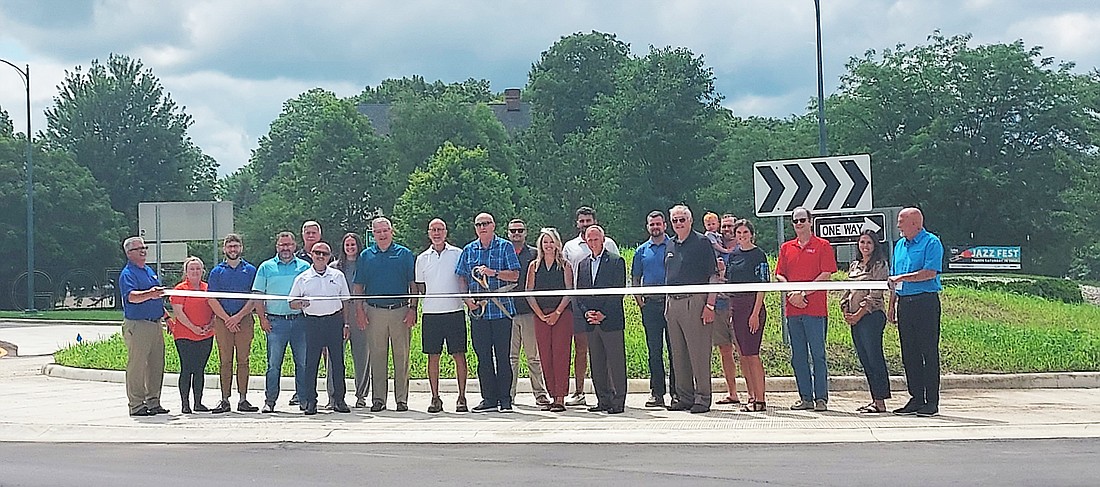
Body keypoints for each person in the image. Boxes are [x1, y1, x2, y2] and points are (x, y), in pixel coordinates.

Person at [456, 213, 521, 413]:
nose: (482, 227)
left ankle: (505, 399)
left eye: (486, 224)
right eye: (478, 224)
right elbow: (461, 277)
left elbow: (515, 275)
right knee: (483, 356)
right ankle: (489, 399)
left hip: (501, 310)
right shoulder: (469, 250)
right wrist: (468, 301)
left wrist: (494, 273)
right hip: (479, 313)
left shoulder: (505, 247)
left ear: (493, 226)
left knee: (503, 356)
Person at [775, 207, 837, 412]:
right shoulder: (786, 247)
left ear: (811, 221)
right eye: (795, 221)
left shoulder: (823, 245)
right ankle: (805, 398)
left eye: (803, 220)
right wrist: (792, 293)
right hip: (793, 310)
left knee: (818, 355)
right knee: (798, 356)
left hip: (815, 310)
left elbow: (826, 273)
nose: (799, 224)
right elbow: (780, 275)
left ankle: (821, 398)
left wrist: (803, 293)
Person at [354, 217, 417, 412]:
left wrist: (413, 308)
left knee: (402, 357)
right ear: (373, 234)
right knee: (377, 357)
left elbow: (413, 284)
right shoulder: (366, 256)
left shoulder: (404, 254)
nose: (382, 234)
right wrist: (359, 311)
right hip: (374, 311)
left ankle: (401, 399)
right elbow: (358, 286)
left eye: (385, 230)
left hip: (400, 311)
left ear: (392, 231)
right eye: (378, 231)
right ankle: (378, 399)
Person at [888, 207, 944, 417]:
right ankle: (916, 398)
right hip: (905, 303)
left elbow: (929, 273)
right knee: (909, 353)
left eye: (902, 221)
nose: (898, 225)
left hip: (925, 303)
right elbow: (894, 278)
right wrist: (891, 305)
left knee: (927, 352)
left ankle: (931, 401)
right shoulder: (900, 245)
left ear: (915, 223)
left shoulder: (931, 243)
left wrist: (902, 279)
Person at [561, 206, 619, 406]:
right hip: (582, 307)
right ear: (577, 224)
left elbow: (616, 279)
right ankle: (580, 392)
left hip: (608, 310)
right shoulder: (570, 247)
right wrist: (586, 310)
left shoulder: (610, 245)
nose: (585, 224)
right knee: (584, 349)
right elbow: (570, 276)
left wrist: (603, 312)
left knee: (610, 353)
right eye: (582, 221)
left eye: (588, 220)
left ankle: (613, 395)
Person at [664, 205, 719, 414]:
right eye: (675, 220)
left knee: (698, 353)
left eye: (682, 220)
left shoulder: (702, 242)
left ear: (690, 220)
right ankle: (684, 397)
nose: (678, 223)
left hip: (695, 302)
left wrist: (710, 304)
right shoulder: (670, 243)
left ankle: (702, 398)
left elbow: (713, 275)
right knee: (678, 354)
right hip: (673, 303)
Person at [289, 241, 352, 415]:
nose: (320, 256)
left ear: (329, 256)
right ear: (311, 255)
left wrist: (346, 324)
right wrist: (300, 303)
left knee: (338, 363)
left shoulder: (338, 276)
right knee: (311, 363)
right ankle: (311, 401)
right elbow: (291, 302)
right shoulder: (302, 278)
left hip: (334, 321)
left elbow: (345, 301)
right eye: (317, 253)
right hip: (313, 323)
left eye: (324, 254)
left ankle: (339, 399)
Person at [253, 231, 311, 414]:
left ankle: (303, 399)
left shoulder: (304, 267)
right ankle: (270, 401)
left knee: (302, 363)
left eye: (288, 245)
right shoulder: (266, 267)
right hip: (276, 323)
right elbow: (258, 295)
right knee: (273, 364)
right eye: (282, 245)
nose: (285, 248)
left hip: (300, 322)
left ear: (295, 246)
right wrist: (262, 318)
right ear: (276, 247)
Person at [415, 219, 470, 413]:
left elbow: (464, 279)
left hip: (455, 311)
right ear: (429, 233)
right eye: (433, 230)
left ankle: (462, 397)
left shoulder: (458, 253)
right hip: (431, 313)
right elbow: (420, 286)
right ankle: (435, 397)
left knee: (459, 355)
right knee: (433, 356)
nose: (437, 233)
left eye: (440, 230)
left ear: (446, 232)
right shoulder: (422, 258)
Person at [575, 225, 628, 414]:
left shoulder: (616, 261)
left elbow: (617, 292)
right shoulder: (582, 264)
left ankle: (618, 401)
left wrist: (603, 313)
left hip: (610, 321)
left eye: (596, 239)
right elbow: (579, 294)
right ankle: (603, 400)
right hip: (590, 323)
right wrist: (587, 312)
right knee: (597, 363)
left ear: (603, 240)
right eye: (589, 239)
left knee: (615, 363)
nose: (593, 242)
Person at [206, 233, 259, 414]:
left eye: (236, 246)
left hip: (244, 319)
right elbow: (211, 298)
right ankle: (224, 399)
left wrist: (238, 317)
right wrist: (227, 319)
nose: (233, 249)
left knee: (243, 360)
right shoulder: (216, 272)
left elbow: (254, 297)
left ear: (241, 248)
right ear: (224, 249)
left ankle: (243, 399)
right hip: (223, 321)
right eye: (230, 247)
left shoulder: (251, 270)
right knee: (225, 361)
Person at [841, 230, 891, 414]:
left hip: (871, 317)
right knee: (864, 359)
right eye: (862, 242)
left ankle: (881, 401)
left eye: (869, 242)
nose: (865, 246)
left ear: (875, 245)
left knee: (874, 357)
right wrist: (846, 309)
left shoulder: (879, 265)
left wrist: (860, 313)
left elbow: (875, 295)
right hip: (855, 319)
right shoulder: (855, 265)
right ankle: (873, 400)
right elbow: (847, 291)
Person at [630, 210, 676, 408]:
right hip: (650, 306)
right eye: (652, 224)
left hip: (672, 304)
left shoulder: (674, 246)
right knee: (654, 351)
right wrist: (641, 302)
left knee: (676, 350)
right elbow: (635, 279)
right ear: (647, 227)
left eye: (658, 224)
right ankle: (657, 393)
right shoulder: (641, 251)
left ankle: (677, 392)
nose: (655, 227)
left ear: (665, 225)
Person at [526, 227, 574, 412]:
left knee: (561, 354)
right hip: (541, 315)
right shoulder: (534, 266)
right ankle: (551, 394)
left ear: (557, 244)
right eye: (545, 241)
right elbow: (529, 293)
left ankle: (560, 397)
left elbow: (569, 292)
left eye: (551, 241)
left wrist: (557, 313)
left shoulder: (565, 265)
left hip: (562, 314)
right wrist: (540, 314)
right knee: (545, 355)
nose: (548, 245)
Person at [119, 236, 168, 417]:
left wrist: (166, 316)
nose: (143, 251)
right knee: (137, 366)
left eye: (144, 247)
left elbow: (156, 297)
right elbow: (132, 297)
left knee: (156, 364)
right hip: (138, 324)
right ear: (128, 253)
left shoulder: (148, 271)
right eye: (138, 249)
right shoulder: (128, 274)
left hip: (155, 323)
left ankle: (153, 401)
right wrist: (150, 294)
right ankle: (136, 404)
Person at [724, 219, 770, 412]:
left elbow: (762, 285)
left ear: (751, 234)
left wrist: (755, 313)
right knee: (742, 354)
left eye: (745, 232)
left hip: (753, 306)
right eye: (739, 233)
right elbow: (728, 282)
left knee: (752, 354)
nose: (742, 236)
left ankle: (760, 399)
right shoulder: (733, 255)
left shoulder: (758, 255)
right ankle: (751, 396)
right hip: (736, 306)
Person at [506, 218, 551, 407]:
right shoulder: (503, 252)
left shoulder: (534, 254)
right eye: (513, 231)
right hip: (506, 311)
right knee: (510, 358)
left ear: (526, 232)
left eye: (520, 230)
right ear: (508, 233)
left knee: (533, 356)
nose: (516, 234)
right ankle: (508, 394)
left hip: (528, 311)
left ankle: (540, 393)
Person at [168, 256, 215, 414]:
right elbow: (178, 312)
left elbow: (215, 309)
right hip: (184, 335)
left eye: (198, 269)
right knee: (187, 368)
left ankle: (198, 402)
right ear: (186, 272)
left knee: (200, 369)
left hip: (206, 334)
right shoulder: (180, 289)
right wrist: (193, 328)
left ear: (202, 271)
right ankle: (185, 404)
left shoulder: (208, 288)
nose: (195, 272)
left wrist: (209, 325)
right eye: (192, 269)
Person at [330, 232, 371, 409]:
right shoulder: (334, 267)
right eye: (347, 245)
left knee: (362, 355)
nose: (350, 248)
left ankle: (361, 395)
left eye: (353, 245)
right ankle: (334, 396)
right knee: (334, 356)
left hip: (361, 310)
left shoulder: (366, 265)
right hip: (339, 312)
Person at [712, 214, 742, 406]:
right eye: (724, 226)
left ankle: (754, 393)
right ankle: (732, 393)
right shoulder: (714, 250)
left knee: (745, 351)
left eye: (730, 226)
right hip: (719, 306)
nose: (726, 229)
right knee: (725, 350)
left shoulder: (743, 250)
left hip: (738, 306)